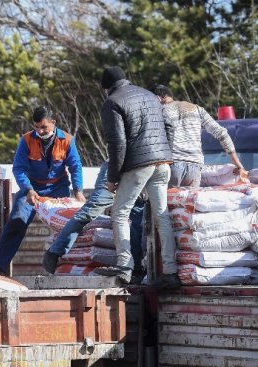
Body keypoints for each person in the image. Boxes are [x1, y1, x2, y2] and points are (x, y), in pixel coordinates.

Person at [95, 66, 179, 288]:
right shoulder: (151, 95)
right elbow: (169, 125)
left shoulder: (112, 102)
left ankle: (125, 266)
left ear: (106, 88)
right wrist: (165, 152)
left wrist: (113, 177)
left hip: (138, 164)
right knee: (162, 215)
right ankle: (170, 271)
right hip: (163, 163)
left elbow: (118, 143)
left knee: (120, 213)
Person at [0, 106, 85, 276]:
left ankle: (64, 266)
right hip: (32, 187)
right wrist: (28, 190)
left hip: (58, 187)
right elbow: (18, 169)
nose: (40, 131)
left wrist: (78, 190)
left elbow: (75, 167)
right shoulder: (26, 140)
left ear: (53, 123)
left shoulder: (67, 140)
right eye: (37, 127)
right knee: (17, 222)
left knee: (66, 226)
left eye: (44, 127)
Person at [42, 161, 146, 282]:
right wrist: (113, 177)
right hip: (115, 170)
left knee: (136, 219)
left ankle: (136, 270)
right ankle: (54, 252)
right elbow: (117, 147)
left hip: (139, 171)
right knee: (89, 213)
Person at [151, 84, 247, 187]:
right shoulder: (196, 109)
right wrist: (238, 165)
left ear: (159, 97)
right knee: (189, 202)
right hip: (195, 168)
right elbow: (222, 133)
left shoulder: (159, 111)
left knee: (165, 201)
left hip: (172, 165)